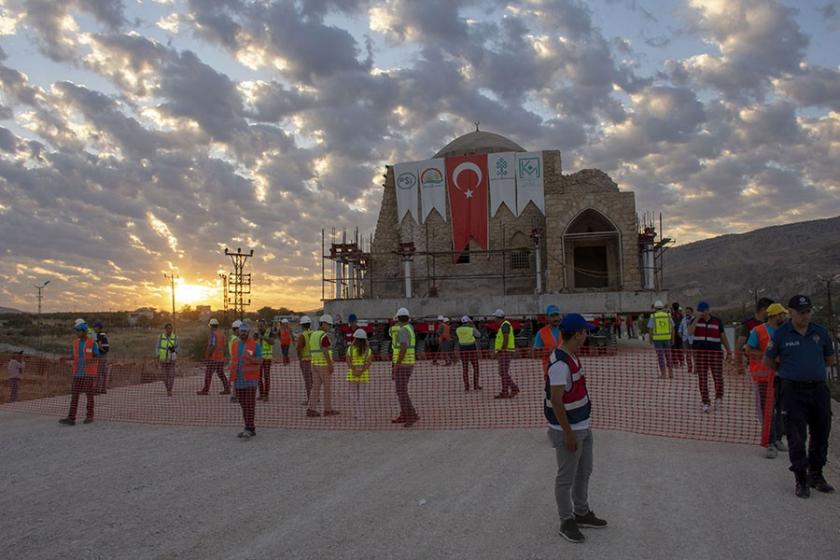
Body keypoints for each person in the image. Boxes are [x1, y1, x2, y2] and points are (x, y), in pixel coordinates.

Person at [764, 295, 836, 498]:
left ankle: (816, 474)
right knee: (796, 436)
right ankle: (801, 478)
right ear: (791, 313)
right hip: (792, 391)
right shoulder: (781, 334)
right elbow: (768, 360)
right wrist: (786, 370)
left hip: (818, 390)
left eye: (808, 311)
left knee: (821, 432)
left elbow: (829, 360)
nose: (806, 315)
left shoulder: (820, 332)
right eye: (801, 312)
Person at [545, 313, 607, 543]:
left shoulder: (571, 356)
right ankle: (566, 520)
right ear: (578, 333)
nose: (587, 335)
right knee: (566, 477)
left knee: (584, 471)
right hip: (568, 430)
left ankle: (581, 512)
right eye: (585, 331)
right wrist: (568, 433)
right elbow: (557, 400)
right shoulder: (560, 364)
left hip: (582, 424)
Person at [746, 303, 787, 458]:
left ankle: (778, 438)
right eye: (781, 314)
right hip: (764, 376)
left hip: (783, 375)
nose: (784, 317)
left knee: (781, 408)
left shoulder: (787, 331)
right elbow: (748, 350)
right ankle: (770, 442)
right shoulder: (758, 331)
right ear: (774, 316)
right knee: (768, 409)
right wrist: (767, 357)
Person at [689, 302, 732, 413]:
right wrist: (697, 319)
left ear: (708, 310)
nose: (701, 313)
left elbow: (723, 337)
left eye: (703, 311)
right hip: (700, 354)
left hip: (715, 354)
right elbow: (690, 332)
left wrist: (729, 351)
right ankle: (705, 402)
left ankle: (718, 397)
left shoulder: (717, 321)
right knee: (702, 378)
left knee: (718, 377)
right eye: (699, 311)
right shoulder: (694, 321)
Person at [59, 320, 100, 426]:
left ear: (84, 331)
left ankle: (90, 416)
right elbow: (75, 356)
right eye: (76, 331)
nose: (77, 333)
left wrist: (89, 361)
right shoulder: (75, 343)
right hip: (77, 373)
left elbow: (97, 357)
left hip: (88, 373)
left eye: (78, 331)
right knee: (74, 395)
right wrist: (66, 358)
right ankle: (71, 418)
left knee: (89, 395)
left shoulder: (92, 343)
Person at [230, 322, 261, 439]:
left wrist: (251, 358)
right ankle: (250, 427)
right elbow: (233, 360)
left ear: (248, 332)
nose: (243, 333)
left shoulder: (255, 345)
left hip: (251, 380)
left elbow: (260, 360)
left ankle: (248, 428)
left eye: (245, 331)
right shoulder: (235, 345)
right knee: (243, 404)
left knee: (249, 404)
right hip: (238, 379)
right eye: (241, 331)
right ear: (239, 332)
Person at [307, 314, 339, 417]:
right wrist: (330, 364)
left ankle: (311, 409)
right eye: (329, 325)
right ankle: (328, 410)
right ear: (324, 323)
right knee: (327, 388)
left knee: (315, 387)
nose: (330, 327)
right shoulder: (323, 336)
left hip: (314, 364)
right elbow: (325, 350)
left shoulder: (313, 335)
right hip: (323, 365)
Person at [391, 307, 419, 427]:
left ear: (398, 318)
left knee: (401, 391)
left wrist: (397, 364)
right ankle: (404, 414)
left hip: (403, 364)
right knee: (402, 390)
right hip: (409, 362)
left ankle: (411, 414)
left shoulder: (403, 330)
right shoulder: (410, 328)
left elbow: (403, 348)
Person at [737, 297, 773, 375]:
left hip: (771, 366)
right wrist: (739, 365)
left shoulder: (772, 323)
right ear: (764, 309)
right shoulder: (748, 324)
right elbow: (739, 345)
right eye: (771, 309)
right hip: (754, 367)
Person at [197, 318, 231, 395]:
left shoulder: (213, 334)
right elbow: (223, 345)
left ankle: (205, 390)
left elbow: (212, 345)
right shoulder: (221, 334)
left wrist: (208, 355)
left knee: (208, 374)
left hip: (213, 358)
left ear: (211, 326)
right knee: (221, 373)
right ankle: (227, 388)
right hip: (220, 358)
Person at [346, 328, 373, 419]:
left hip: (352, 375)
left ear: (355, 338)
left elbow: (348, 361)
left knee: (354, 396)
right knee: (362, 396)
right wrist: (361, 371)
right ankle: (361, 414)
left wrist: (354, 370)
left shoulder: (350, 349)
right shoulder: (368, 350)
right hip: (363, 375)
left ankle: (357, 414)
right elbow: (368, 363)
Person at [493, 309, 520, 399]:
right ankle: (508, 390)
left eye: (495, 318)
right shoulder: (504, 325)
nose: (494, 320)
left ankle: (511, 389)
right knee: (503, 372)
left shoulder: (505, 325)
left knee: (503, 372)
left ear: (498, 318)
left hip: (505, 351)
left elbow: (505, 338)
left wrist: (501, 350)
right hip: (506, 351)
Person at [534, 305, 563, 377]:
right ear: (547, 317)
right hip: (549, 371)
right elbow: (535, 354)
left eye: (557, 315)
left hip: (566, 370)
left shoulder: (566, 330)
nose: (555, 318)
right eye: (552, 316)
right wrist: (548, 351)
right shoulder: (541, 333)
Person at [648, 300, 675, 379]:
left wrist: (650, 339)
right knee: (669, 356)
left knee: (660, 357)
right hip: (667, 339)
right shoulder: (668, 315)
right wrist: (672, 339)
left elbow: (650, 329)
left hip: (657, 340)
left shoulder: (653, 316)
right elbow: (673, 328)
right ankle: (671, 374)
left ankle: (663, 374)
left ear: (655, 308)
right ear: (662, 308)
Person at [456, 316, 481, 391]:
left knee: (465, 368)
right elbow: (478, 335)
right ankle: (476, 385)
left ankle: (466, 386)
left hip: (462, 350)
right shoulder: (471, 329)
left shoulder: (458, 330)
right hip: (471, 349)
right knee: (476, 367)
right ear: (468, 322)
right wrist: (473, 325)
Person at [156, 323, 179, 397]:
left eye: (171, 328)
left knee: (171, 376)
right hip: (163, 360)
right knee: (164, 377)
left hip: (172, 360)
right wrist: (158, 355)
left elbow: (178, 348)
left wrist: (174, 351)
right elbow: (157, 347)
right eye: (168, 328)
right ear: (165, 329)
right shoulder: (160, 337)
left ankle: (170, 390)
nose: (170, 330)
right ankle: (167, 388)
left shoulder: (175, 337)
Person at [256, 319, 276, 401]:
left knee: (266, 377)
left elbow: (272, 342)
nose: (260, 327)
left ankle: (266, 395)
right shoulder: (257, 333)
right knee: (258, 377)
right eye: (258, 326)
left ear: (265, 326)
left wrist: (263, 337)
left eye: (261, 326)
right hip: (259, 359)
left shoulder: (269, 332)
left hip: (267, 358)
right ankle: (261, 394)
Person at [296, 316, 314, 405]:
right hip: (314, 360)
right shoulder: (313, 333)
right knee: (313, 380)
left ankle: (310, 400)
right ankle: (315, 398)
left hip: (305, 360)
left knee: (308, 381)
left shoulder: (302, 335)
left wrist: (299, 357)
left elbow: (299, 348)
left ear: (302, 325)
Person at [93, 322, 110, 394]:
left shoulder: (99, 334)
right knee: (104, 373)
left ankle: (97, 390)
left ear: (98, 328)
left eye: (95, 327)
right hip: (105, 354)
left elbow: (99, 344)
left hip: (101, 355)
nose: (94, 328)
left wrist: (99, 351)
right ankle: (103, 389)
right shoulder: (104, 334)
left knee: (99, 372)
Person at [228, 319, 241, 403]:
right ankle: (234, 396)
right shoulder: (236, 339)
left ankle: (234, 396)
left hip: (233, 361)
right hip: (237, 361)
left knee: (236, 379)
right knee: (237, 379)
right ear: (236, 329)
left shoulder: (232, 338)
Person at [678, 306, 695, 373]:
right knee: (687, 355)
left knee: (694, 355)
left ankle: (696, 369)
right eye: (686, 312)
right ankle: (689, 368)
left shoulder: (695, 319)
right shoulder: (683, 320)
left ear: (692, 312)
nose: (687, 313)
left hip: (693, 339)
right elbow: (679, 330)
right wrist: (682, 337)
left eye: (689, 312)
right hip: (685, 339)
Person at [670, 303, 684, 368]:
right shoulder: (681, 315)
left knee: (673, 348)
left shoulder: (671, 315)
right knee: (680, 348)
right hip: (680, 333)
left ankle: (675, 363)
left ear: (672, 308)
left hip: (673, 334)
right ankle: (682, 362)